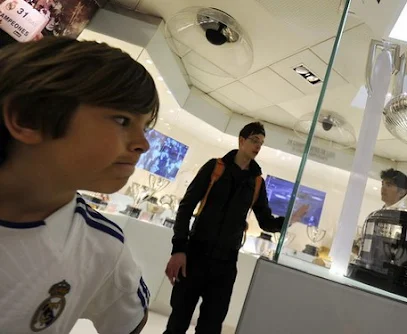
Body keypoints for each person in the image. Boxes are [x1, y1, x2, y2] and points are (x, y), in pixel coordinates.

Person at [0, 37, 159, 333]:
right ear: (27, 117)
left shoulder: (103, 248)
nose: (143, 144)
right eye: (123, 120)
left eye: (145, 127)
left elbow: (129, 321)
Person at [164, 122, 308, 334]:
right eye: (254, 140)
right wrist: (179, 249)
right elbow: (186, 208)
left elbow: (266, 221)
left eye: (261, 143)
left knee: (211, 327)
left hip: (226, 264)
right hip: (195, 256)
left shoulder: (257, 182)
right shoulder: (215, 167)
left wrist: (290, 220)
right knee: (177, 322)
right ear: (241, 140)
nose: (258, 146)